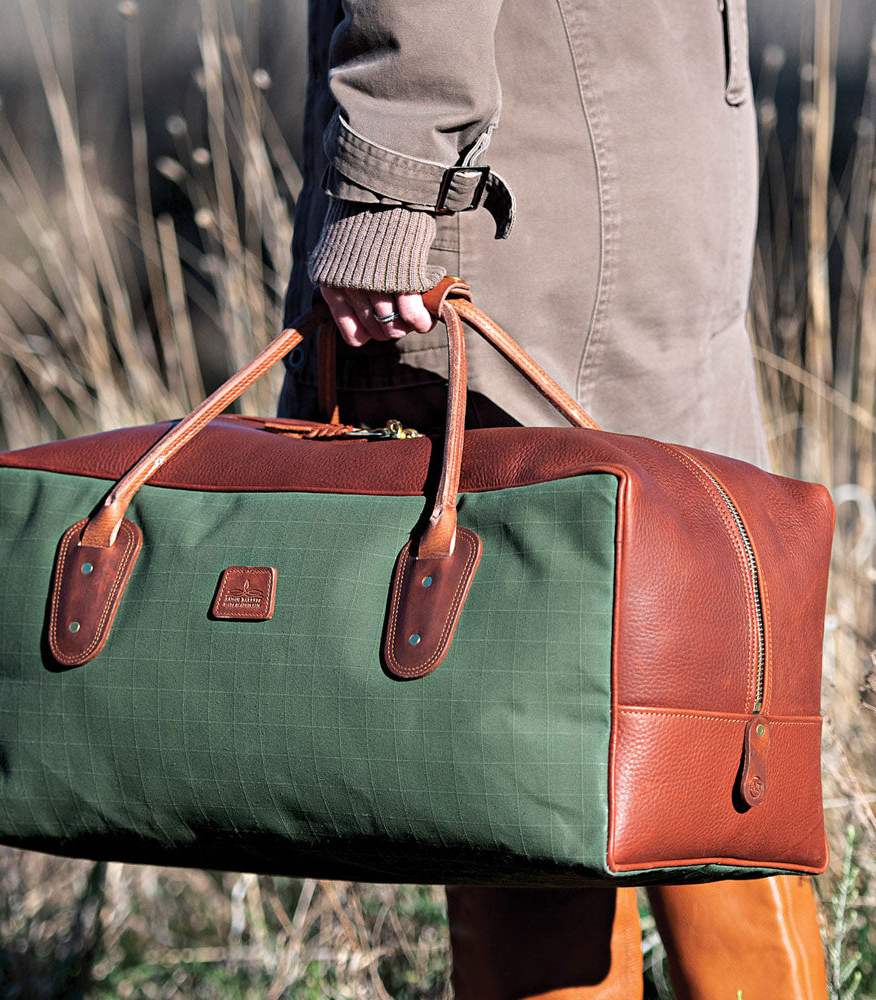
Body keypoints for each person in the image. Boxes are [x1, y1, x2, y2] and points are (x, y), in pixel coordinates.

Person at [280, 2, 830, 996]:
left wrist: (386, 191)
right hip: (651, 149)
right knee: (702, 682)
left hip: (519, 185)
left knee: (516, 708)